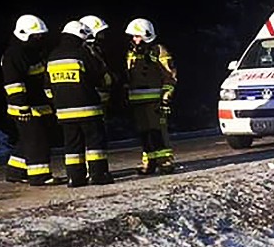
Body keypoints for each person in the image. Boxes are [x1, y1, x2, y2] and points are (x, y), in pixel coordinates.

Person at [46, 21, 114, 187]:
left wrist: (57, 103)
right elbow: (99, 77)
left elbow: (47, 87)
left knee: (72, 146)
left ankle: (75, 178)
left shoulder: (52, 56)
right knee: (95, 144)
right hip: (88, 109)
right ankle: (98, 175)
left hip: (64, 112)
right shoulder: (82, 54)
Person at [1, 14, 62, 185]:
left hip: (38, 104)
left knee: (28, 139)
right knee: (37, 140)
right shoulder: (14, 55)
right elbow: (14, 83)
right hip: (24, 106)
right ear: (24, 34)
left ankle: (15, 171)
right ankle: (40, 176)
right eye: (36, 36)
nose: (39, 38)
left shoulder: (33, 52)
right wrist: (21, 106)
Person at [124, 18, 177, 174]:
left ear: (146, 35)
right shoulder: (131, 53)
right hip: (137, 101)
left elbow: (170, 76)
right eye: (133, 36)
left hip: (155, 101)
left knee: (158, 132)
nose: (134, 39)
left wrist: (166, 96)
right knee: (145, 134)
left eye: (137, 36)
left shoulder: (158, 51)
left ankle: (165, 162)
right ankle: (149, 163)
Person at [79, 15, 114, 109]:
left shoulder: (96, 50)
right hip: (93, 101)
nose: (102, 36)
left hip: (102, 99)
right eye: (100, 33)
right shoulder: (85, 52)